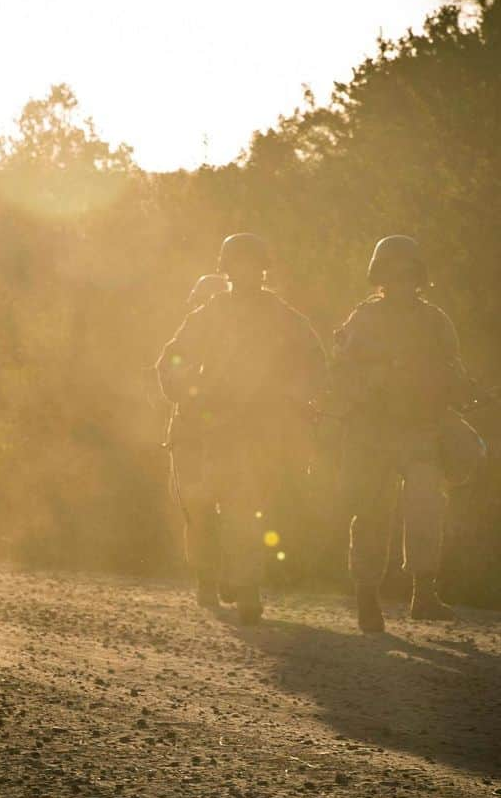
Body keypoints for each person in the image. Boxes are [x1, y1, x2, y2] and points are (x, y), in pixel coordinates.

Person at [157, 235, 325, 623]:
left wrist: (294, 396)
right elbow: (172, 362)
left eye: (252, 264)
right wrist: (191, 397)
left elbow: (314, 363)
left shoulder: (282, 315)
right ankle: (207, 577)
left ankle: (247, 589)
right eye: (237, 264)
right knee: (199, 510)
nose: (245, 272)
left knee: (245, 510)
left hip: (254, 433)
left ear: (263, 268)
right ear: (226, 268)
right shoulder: (208, 315)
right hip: (205, 429)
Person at [332, 236, 473, 633]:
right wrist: (374, 384)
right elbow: (341, 372)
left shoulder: (435, 320)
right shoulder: (363, 319)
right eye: (391, 273)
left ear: (417, 276)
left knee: (427, 506)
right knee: (372, 513)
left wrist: (457, 387)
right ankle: (367, 595)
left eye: (407, 272)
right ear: (380, 277)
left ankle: (423, 593)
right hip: (373, 430)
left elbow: (454, 368)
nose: (400, 280)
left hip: (421, 429)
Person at [161, 273, 231, 607]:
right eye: (202, 302)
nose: (206, 308)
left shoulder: (243, 343)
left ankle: (234, 574)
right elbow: (169, 372)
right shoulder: (188, 337)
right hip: (189, 433)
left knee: (238, 506)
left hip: (231, 433)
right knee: (197, 510)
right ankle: (207, 580)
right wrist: (191, 387)